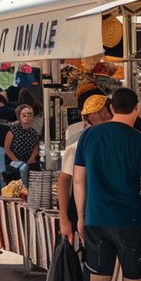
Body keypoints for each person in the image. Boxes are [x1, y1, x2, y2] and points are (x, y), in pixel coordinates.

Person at [74, 88, 141, 281]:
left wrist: (81, 216)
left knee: (98, 276)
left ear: (111, 108)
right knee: (132, 277)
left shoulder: (88, 136)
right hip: (129, 220)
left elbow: (78, 180)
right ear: (137, 108)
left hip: (95, 218)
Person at [57, 91, 112, 244]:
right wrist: (64, 219)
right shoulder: (77, 137)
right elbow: (64, 179)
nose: (110, 115)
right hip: (86, 207)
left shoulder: (116, 133)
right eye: (106, 112)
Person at [4, 104, 40, 186]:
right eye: (24, 115)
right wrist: (16, 160)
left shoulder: (33, 132)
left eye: (30, 115)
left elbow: (35, 148)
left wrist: (30, 160)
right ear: (19, 117)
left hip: (28, 162)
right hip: (14, 161)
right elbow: (7, 148)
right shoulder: (14, 130)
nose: (27, 117)